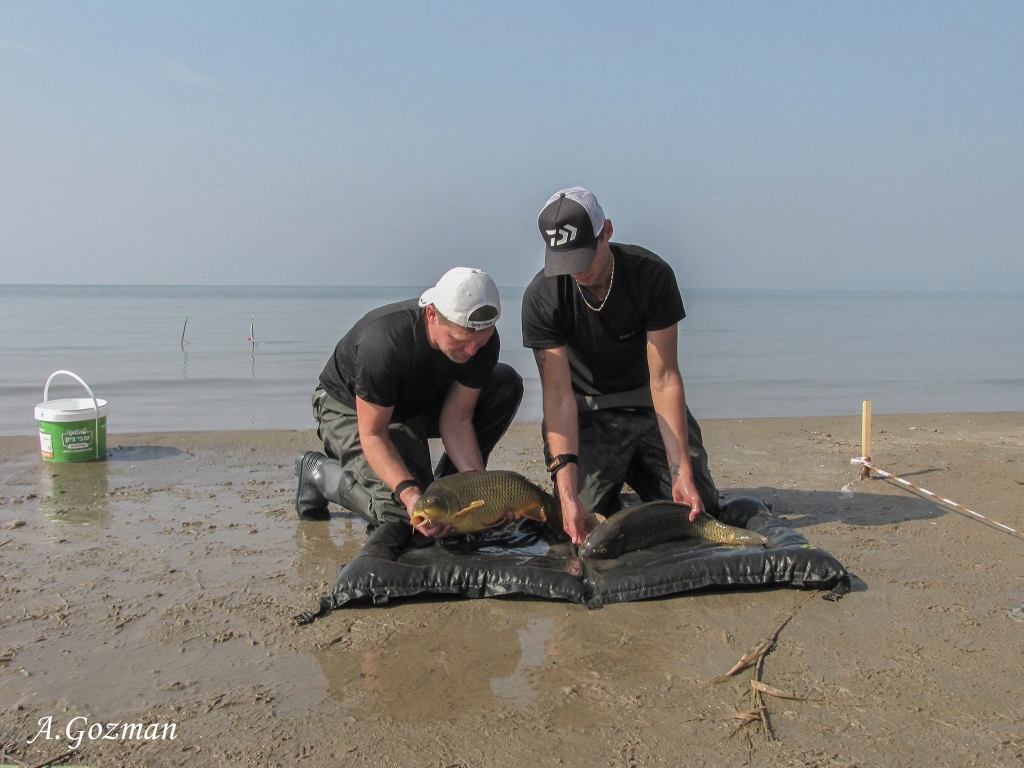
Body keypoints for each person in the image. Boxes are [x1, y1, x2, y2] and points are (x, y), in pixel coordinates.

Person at [522, 186, 720, 544]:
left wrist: (682, 471)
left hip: (647, 402)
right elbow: (558, 397)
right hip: (587, 410)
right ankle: (605, 481)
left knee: (699, 507)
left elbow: (664, 379)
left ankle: (645, 471)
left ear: (607, 232)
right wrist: (566, 494)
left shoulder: (652, 276)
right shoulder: (542, 296)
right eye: (565, 260)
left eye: (583, 256)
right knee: (583, 519)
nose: (576, 271)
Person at [296, 267, 523, 537]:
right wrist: (410, 493)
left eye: (480, 341)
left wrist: (478, 494)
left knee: (505, 383)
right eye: (461, 340)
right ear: (432, 315)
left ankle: (446, 487)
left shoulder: (482, 345)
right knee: (406, 517)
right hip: (350, 409)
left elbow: (457, 419)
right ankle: (319, 475)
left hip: (415, 402)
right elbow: (373, 434)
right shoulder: (384, 343)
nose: (472, 351)